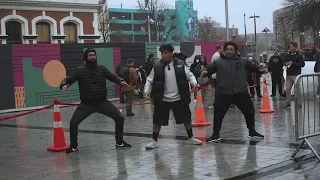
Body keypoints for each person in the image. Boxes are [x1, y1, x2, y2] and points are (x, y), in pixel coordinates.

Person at [60, 48, 132, 155]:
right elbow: (69, 78)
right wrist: (64, 84)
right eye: (90, 55)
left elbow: (112, 77)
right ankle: (74, 146)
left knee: (119, 118)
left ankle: (119, 142)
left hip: (102, 102)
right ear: (86, 57)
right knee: (73, 123)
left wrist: (121, 81)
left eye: (94, 55)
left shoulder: (101, 68)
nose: (93, 57)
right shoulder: (80, 70)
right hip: (87, 104)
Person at [202, 41, 266, 142]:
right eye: (227, 49)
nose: (229, 51)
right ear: (224, 50)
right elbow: (210, 68)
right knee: (218, 115)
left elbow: (254, 67)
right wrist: (205, 71)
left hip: (241, 92)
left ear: (235, 50)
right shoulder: (218, 62)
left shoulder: (243, 61)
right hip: (223, 93)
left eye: (231, 49)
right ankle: (215, 135)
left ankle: (252, 131)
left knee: (249, 112)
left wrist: (261, 69)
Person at [144, 44, 202, 149]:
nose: (163, 55)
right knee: (157, 120)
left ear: (171, 53)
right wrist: (147, 90)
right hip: (162, 99)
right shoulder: (157, 66)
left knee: (186, 119)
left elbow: (190, 75)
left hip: (179, 98)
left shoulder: (180, 64)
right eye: (162, 53)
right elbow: (149, 79)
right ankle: (154, 140)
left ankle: (191, 137)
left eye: (166, 53)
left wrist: (194, 83)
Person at [283, 42, 305, 108]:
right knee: (287, 89)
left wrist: (293, 63)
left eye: (292, 46)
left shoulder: (299, 55)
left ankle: (299, 103)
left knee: (297, 89)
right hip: (289, 74)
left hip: (296, 74)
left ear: (295, 47)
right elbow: (284, 62)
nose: (290, 48)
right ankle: (288, 103)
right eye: (290, 46)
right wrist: (285, 64)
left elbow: (302, 64)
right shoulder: (287, 55)